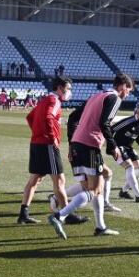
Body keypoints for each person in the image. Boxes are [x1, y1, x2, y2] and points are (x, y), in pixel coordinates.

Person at [47, 73, 134, 239]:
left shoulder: (97, 95)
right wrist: (113, 145)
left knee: (101, 179)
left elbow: (73, 117)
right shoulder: (114, 98)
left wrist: (72, 142)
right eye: (128, 90)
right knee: (94, 189)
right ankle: (60, 216)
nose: (128, 94)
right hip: (90, 145)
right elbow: (104, 123)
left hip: (78, 145)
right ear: (122, 86)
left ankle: (100, 227)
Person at [17, 77, 86, 225]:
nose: (69, 92)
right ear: (60, 88)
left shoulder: (45, 99)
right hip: (47, 145)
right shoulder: (54, 101)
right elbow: (48, 117)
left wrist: (37, 133)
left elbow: (30, 117)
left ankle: (23, 213)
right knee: (59, 180)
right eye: (68, 89)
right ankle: (67, 214)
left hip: (36, 143)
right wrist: (51, 137)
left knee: (35, 179)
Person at [114, 104, 139, 203]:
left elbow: (138, 136)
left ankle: (123, 191)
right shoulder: (128, 121)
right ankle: (138, 195)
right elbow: (111, 129)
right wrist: (112, 146)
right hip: (119, 146)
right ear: (138, 113)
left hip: (128, 147)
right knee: (130, 167)